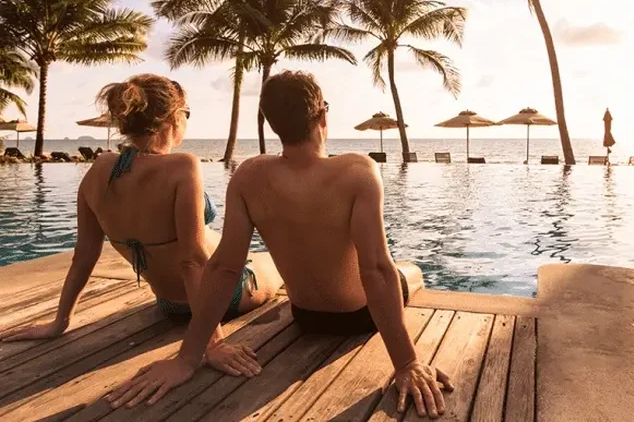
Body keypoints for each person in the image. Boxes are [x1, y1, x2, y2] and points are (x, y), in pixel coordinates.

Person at [107, 70, 454, 418]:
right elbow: (376, 270)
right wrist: (407, 362)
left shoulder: (249, 175)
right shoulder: (358, 171)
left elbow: (224, 268)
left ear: (273, 125)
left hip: (305, 317)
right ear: (322, 115)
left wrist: (188, 358)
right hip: (358, 317)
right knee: (408, 270)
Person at [1, 74, 281, 377]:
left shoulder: (97, 171)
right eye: (187, 114)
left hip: (168, 302)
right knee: (278, 260)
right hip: (225, 294)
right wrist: (211, 345)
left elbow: (84, 256)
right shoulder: (183, 166)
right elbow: (192, 261)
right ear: (174, 117)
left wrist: (59, 323)